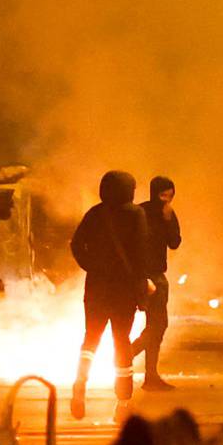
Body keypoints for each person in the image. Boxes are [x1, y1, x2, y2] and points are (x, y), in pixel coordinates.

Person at [68, 170, 149, 420]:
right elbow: (141, 251)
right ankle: (123, 402)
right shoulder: (136, 214)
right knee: (121, 340)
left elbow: (76, 244)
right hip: (123, 289)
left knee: (90, 338)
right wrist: (142, 284)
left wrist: (92, 266)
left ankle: (80, 384)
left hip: (96, 287)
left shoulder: (95, 213)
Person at [131, 175, 181, 390]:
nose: (166, 200)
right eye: (163, 195)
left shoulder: (167, 213)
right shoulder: (139, 213)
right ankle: (127, 357)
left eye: (170, 196)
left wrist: (169, 220)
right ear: (154, 193)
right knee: (157, 325)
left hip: (158, 275)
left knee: (157, 326)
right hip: (144, 275)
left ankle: (149, 375)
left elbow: (174, 243)